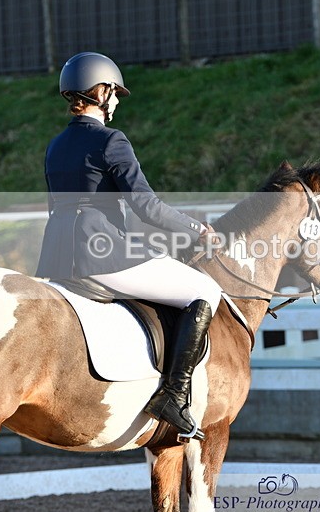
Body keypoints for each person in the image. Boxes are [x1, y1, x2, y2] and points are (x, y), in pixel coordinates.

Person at [36, 51, 222, 441]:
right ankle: (174, 395)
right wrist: (197, 230)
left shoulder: (54, 144)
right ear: (100, 91)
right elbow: (146, 206)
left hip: (57, 254)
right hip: (99, 253)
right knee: (205, 290)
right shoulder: (111, 140)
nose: (117, 102)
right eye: (115, 93)